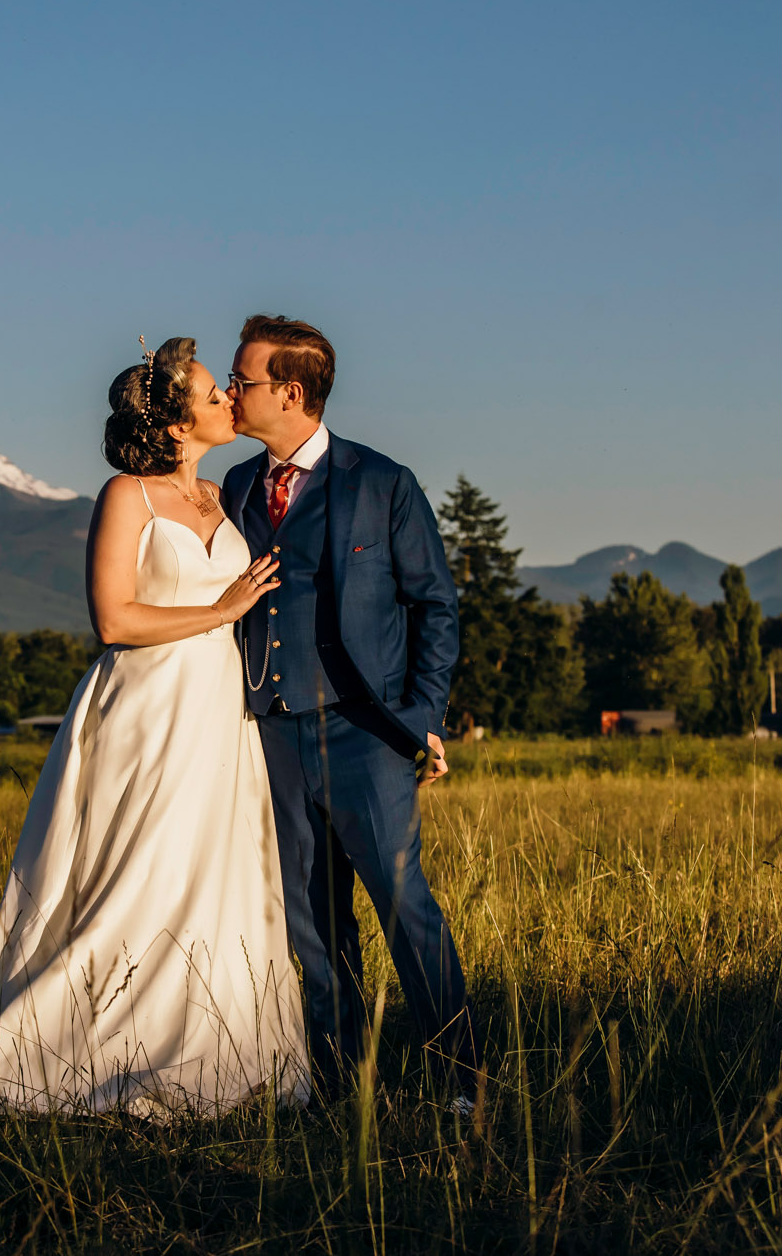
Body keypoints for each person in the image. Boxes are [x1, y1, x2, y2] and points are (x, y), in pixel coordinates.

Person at [0, 337, 310, 1117]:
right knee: (141, 867)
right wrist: (221, 608)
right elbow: (113, 617)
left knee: (218, 868)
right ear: (174, 426)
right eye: (211, 396)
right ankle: (91, 1040)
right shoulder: (127, 496)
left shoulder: (223, 497)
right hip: (146, 706)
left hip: (218, 710)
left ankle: (215, 1035)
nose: (226, 403)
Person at [221, 314, 478, 1108]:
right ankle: (338, 1088)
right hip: (272, 733)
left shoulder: (382, 482)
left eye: (245, 380)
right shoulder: (234, 488)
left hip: (365, 731)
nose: (232, 393)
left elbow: (436, 604)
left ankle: (460, 1082)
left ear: (291, 392)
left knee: (407, 910)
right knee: (314, 926)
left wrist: (425, 714)